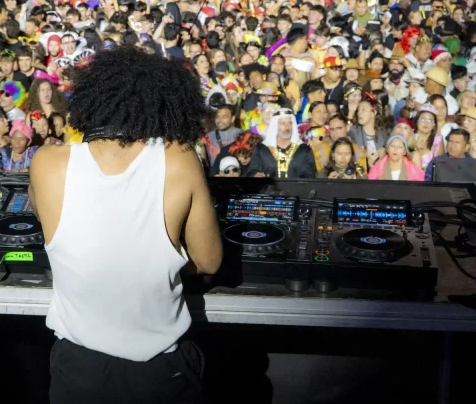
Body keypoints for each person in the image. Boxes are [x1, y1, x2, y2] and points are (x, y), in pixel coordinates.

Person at [29, 46, 220, 404]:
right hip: (161, 373)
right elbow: (209, 261)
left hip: (78, 371)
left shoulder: (46, 162)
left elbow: (55, 225)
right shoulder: (180, 160)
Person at [249, 109, 317, 179]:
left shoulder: (304, 150)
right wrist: (255, 175)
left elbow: (311, 176)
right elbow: (251, 172)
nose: (287, 128)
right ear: (275, 126)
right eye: (283, 123)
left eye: (290, 123)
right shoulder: (261, 149)